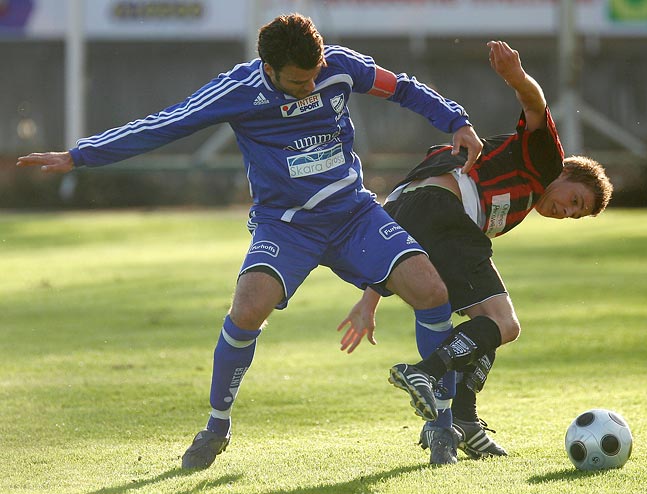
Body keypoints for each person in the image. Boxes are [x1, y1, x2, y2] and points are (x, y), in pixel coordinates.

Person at [16, 13, 485, 470]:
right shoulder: (239, 90)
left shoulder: (339, 66)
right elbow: (165, 124)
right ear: (269, 69)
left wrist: (455, 120)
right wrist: (79, 156)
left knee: (431, 290)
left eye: (315, 76)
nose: (310, 87)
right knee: (247, 308)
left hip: (354, 215)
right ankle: (216, 427)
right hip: (286, 225)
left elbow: (400, 87)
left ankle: (441, 424)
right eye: (299, 83)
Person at [337, 40, 613, 465]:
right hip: (435, 208)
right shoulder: (545, 163)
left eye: (576, 215)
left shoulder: (513, 207)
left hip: (413, 211)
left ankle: (463, 420)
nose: (567, 211)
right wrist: (516, 77)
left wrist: (370, 298)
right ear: (566, 173)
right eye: (575, 200)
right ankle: (424, 374)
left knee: (483, 327)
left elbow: (417, 226)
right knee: (504, 324)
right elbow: (536, 104)